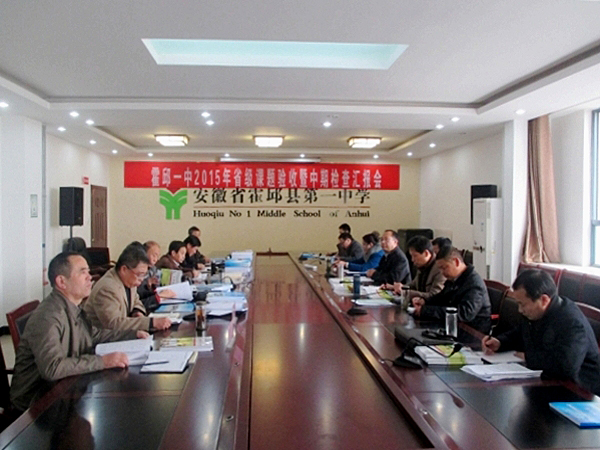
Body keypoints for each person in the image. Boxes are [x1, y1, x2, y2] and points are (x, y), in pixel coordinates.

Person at [10, 252, 149, 412]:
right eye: (83, 272)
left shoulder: (73, 307)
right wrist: (103, 361)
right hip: (37, 404)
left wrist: (132, 334)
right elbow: (53, 368)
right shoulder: (48, 316)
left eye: (88, 272)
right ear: (62, 282)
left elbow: (93, 335)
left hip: (64, 389)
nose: (90, 277)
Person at [482, 269, 600, 394]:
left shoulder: (572, 322)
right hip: (546, 381)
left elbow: (566, 366)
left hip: (578, 391)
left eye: (523, 304)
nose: (520, 310)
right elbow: (521, 333)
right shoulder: (536, 313)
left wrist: (529, 357)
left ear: (544, 300)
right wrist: (500, 342)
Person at [84, 243, 172, 331]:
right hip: (103, 337)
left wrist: (137, 312)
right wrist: (151, 323)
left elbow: (136, 301)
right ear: (124, 269)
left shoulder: (129, 279)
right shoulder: (107, 288)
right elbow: (114, 323)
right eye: (139, 274)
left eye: (144, 275)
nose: (141, 279)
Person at [412, 246, 491, 333]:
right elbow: (442, 297)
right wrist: (425, 301)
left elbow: (464, 314)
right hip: (453, 325)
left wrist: (425, 311)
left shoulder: (474, 283)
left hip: (472, 331)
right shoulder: (455, 278)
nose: (442, 272)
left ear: (456, 262)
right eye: (440, 269)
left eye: (444, 267)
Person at [392, 235, 446, 301]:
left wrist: (405, 293)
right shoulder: (422, 265)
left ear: (426, 253)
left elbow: (434, 295)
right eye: (411, 256)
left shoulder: (440, 269)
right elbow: (414, 285)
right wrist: (399, 287)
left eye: (415, 256)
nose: (412, 260)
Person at [137, 241, 175, 310]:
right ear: (144, 254)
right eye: (154, 255)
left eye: (157, 256)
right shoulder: (138, 271)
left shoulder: (153, 269)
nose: (156, 259)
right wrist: (147, 284)